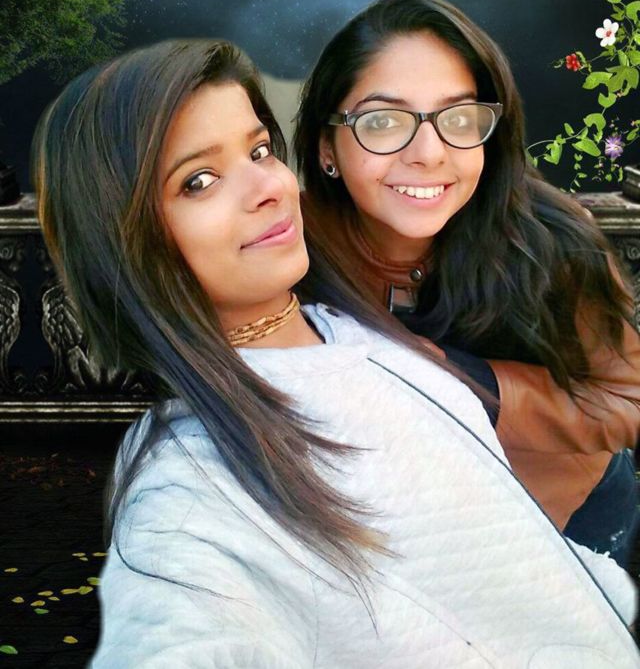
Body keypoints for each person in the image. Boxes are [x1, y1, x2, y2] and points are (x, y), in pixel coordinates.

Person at [32, 39, 638, 667]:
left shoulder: (354, 321)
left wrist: (595, 592)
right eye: (199, 181)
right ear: (123, 242)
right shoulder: (190, 479)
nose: (268, 187)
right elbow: (182, 622)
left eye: (259, 150)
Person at [294, 0, 640, 568]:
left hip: (561, 513)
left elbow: (627, 402)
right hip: (399, 528)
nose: (429, 153)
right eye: (383, 121)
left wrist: (471, 385)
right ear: (327, 144)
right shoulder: (290, 247)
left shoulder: (551, 241)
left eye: (458, 117)